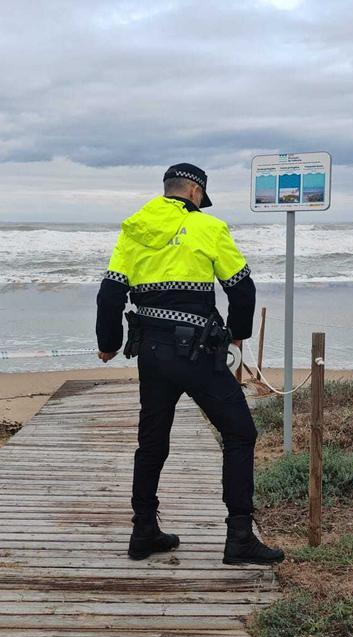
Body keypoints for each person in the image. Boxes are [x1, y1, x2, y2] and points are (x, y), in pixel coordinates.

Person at [95, 163, 284, 565]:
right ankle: (239, 538)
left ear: (168, 190)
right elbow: (242, 288)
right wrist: (237, 332)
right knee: (239, 433)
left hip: (150, 354)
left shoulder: (135, 229)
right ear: (195, 194)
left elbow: (110, 295)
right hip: (199, 354)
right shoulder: (209, 228)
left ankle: (143, 531)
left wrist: (108, 343)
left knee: (152, 441)